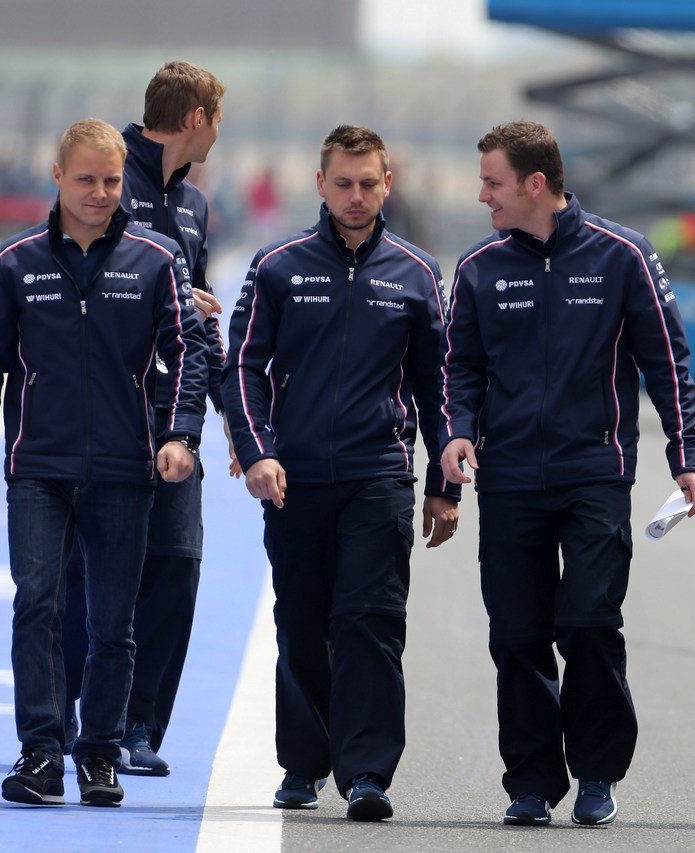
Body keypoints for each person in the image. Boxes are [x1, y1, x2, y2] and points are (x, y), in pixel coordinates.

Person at [440, 119, 695, 828]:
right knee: (516, 633)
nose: (482, 196)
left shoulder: (624, 255)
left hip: (597, 470)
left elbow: (667, 363)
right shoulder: (478, 268)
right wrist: (458, 432)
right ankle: (530, 780)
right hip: (508, 480)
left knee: (589, 620)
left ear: (536, 184)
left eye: (492, 182)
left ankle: (596, 770)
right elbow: (457, 368)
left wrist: (688, 459)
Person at [0, 118, 208, 808]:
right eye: (87, 178)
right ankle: (40, 749)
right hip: (38, 465)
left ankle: (99, 754)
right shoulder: (14, 261)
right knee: (36, 605)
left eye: (112, 179)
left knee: (112, 621)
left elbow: (189, 350)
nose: (100, 192)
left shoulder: (157, 259)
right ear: (58, 176)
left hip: (126, 470)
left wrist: (183, 435)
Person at [221, 124, 458, 821]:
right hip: (293, 477)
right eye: (344, 183)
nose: (357, 197)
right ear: (320, 184)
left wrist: (444, 486)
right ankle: (304, 760)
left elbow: (435, 383)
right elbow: (241, 366)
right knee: (301, 620)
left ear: (389, 185)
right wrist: (257, 447)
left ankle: (367, 773)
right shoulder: (278, 265)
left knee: (371, 621)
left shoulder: (417, 271)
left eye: (369, 184)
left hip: (378, 474)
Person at [59, 60, 228, 778]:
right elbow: (70, 279)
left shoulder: (193, 204)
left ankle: (139, 726)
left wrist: (242, 424)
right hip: (102, 414)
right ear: (196, 118)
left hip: (174, 417)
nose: (219, 131)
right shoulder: (105, 179)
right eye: (218, 118)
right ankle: (71, 714)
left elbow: (201, 307)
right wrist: (163, 301)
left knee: (176, 566)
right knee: (86, 572)